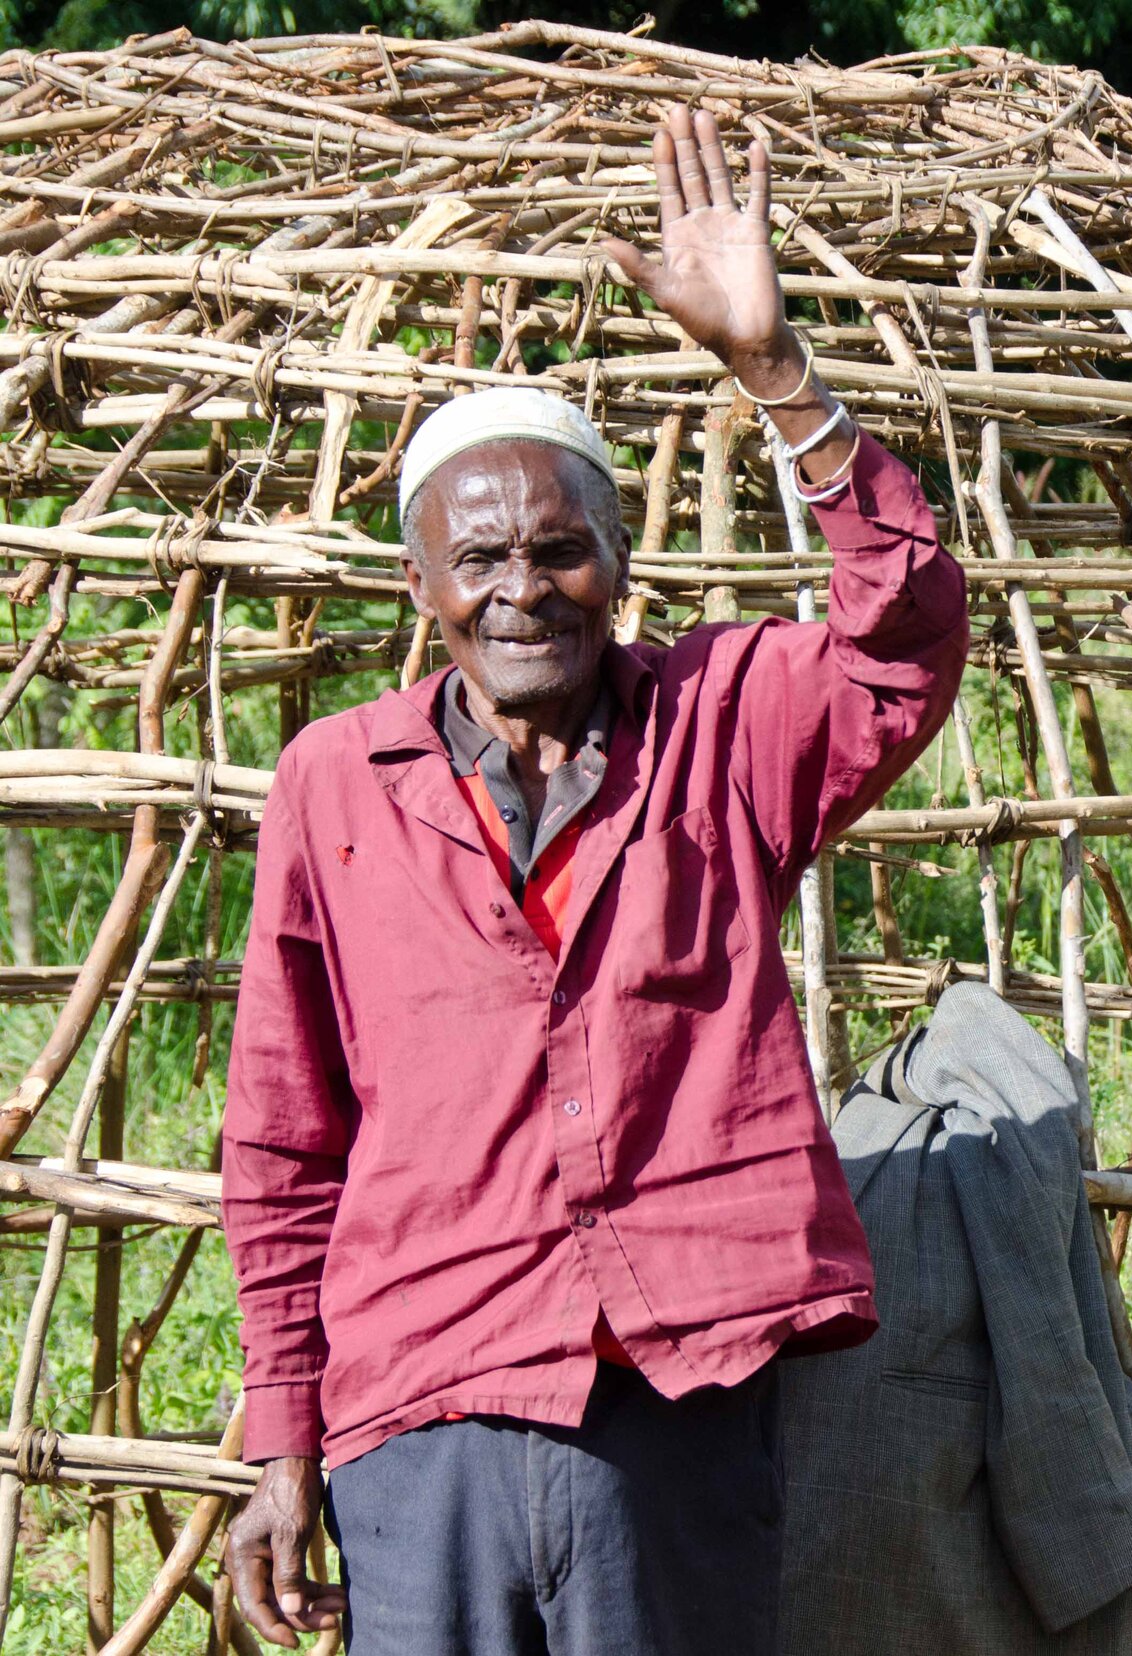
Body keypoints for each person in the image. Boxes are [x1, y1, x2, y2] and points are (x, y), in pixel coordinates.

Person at [217, 105, 967, 1653]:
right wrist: (281, 1435)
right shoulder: (335, 785)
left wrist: (776, 374)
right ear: (420, 587)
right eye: (477, 560)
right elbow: (287, 1134)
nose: (520, 590)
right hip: (426, 1401)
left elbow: (901, 643)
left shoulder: (723, 724)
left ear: (616, 567)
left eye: (558, 550)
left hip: (673, 1394)